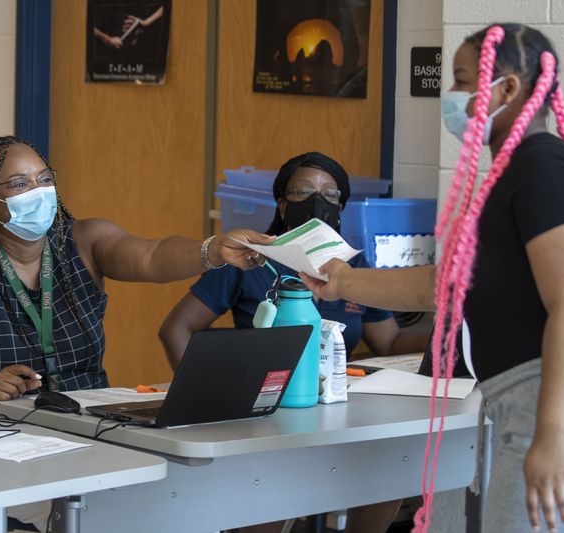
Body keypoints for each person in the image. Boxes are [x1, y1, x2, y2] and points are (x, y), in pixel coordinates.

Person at [302, 24, 564, 533]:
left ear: (508, 89)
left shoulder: (547, 170)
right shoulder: (510, 178)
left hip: (561, 410)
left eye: (463, 81)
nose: (452, 96)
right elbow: (442, 287)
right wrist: (342, 282)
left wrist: (555, 434)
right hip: (518, 408)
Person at [0, 135, 271, 414]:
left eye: (45, 179)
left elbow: (151, 257)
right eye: (19, 184)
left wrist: (213, 250)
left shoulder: (85, 240)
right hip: (3, 427)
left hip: (88, 415)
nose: (38, 191)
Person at [159, 152, 427, 533]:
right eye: (302, 191)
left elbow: (390, 342)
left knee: (390, 473)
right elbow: (176, 329)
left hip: (335, 410)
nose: (317, 201)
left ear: (342, 206)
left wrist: (451, 332)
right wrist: (203, 401)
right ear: (281, 204)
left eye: (330, 194)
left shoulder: (354, 270)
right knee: (271, 503)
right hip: (267, 413)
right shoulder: (252, 260)